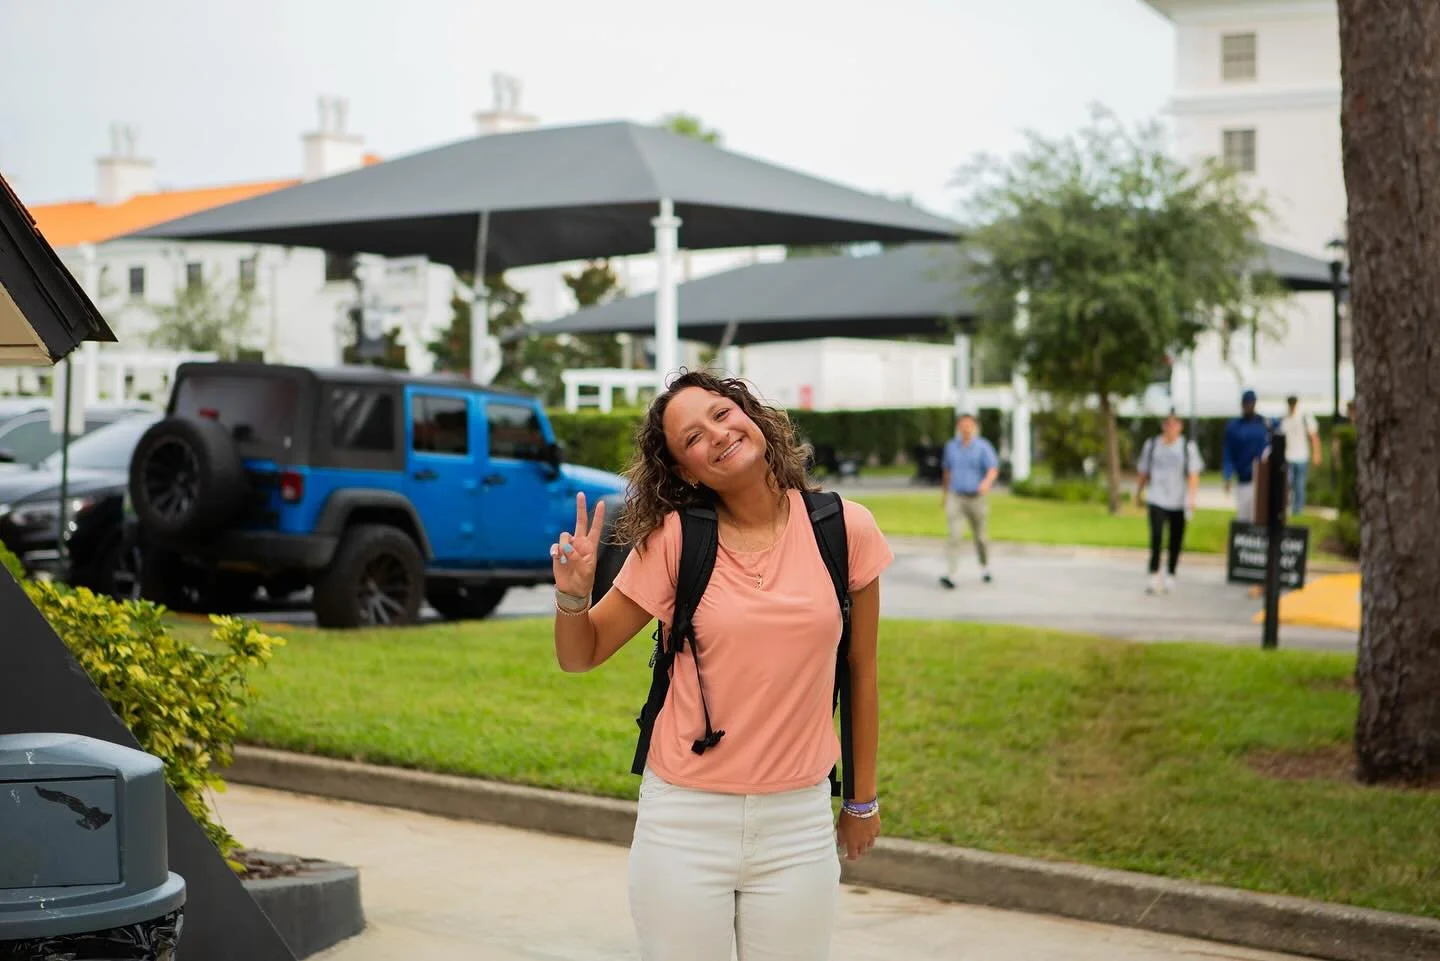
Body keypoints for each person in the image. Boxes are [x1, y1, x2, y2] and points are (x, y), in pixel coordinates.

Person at [549, 370, 893, 961]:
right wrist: (574, 596)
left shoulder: (844, 528)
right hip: (684, 820)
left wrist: (860, 802)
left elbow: (860, 671)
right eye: (692, 438)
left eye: (720, 413)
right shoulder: (675, 541)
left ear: (750, 415)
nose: (716, 433)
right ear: (686, 471)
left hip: (797, 822)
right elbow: (581, 654)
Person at [1135, 412, 1203, 595]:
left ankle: (1171, 573)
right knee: (1156, 537)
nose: (1170, 427)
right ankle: (1154, 574)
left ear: (1180, 426)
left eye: (1174, 424)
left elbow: (1193, 475)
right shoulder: (1152, 445)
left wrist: (1191, 498)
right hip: (1156, 497)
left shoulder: (1187, 447)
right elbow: (1143, 471)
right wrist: (1138, 492)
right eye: (1167, 424)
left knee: (1175, 539)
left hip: (1178, 500)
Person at [939, 412, 999, 589]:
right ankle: (951, 573)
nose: (965, 427)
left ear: (974, 427)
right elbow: (947, 471)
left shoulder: (982, 447)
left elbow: (992, 468)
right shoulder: (951, 447)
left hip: (976, 497)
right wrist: (944, 494)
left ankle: (985, 567)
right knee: (954, 535)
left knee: (980, 536)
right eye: (962, 424)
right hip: (956, 496)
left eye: (969, 424)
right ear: (958, 427)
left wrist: (987, 482)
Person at [1222, 389, 1270, 523]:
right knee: (1243, 517)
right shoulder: (1234, 426)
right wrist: (1227, 475)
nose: (1249, 406)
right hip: (1244, 478)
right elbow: (1228, 452)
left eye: (1251, 403)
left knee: (1260, 517)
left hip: (1261, 478)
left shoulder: (1264, 423)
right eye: (1246, 403)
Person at [1278, 395, 1322, 516]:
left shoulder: (1304, 417)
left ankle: (1298, 510)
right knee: (1288, 483)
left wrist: (1316, 453)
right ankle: (1287, 508)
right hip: (1288, 456)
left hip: (1301, 456)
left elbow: (1313, 436)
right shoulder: (1284, 419)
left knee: (1299, 484)